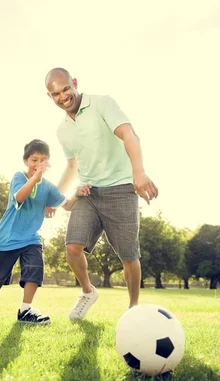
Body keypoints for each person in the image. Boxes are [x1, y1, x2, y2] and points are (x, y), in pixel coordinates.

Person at [44, 67, 159, 320]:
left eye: (66, 89)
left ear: (74, 83)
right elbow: (73, 166)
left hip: (121, 188)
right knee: (72, 247)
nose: (63, 97)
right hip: (89, 193)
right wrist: (55, 196)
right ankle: (87, 291)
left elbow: (129, 134)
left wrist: (138, 173)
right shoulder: (62, 130)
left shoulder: (102, 104)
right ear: (49, 97)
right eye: (56, 94)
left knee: (129, 256)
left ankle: (133, 308)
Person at [0, 139, 83, 324]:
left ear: (48, 163)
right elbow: (20, 197)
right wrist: (34, 178)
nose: (38, 164)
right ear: (26, 161)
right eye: (34, 160)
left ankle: (25, 310)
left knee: (35, 269)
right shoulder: (19, 177)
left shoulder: (48, 187)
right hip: (6, 239)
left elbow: (68, 206)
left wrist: (78, 193)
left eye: (43, 160)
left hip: (31, 239)